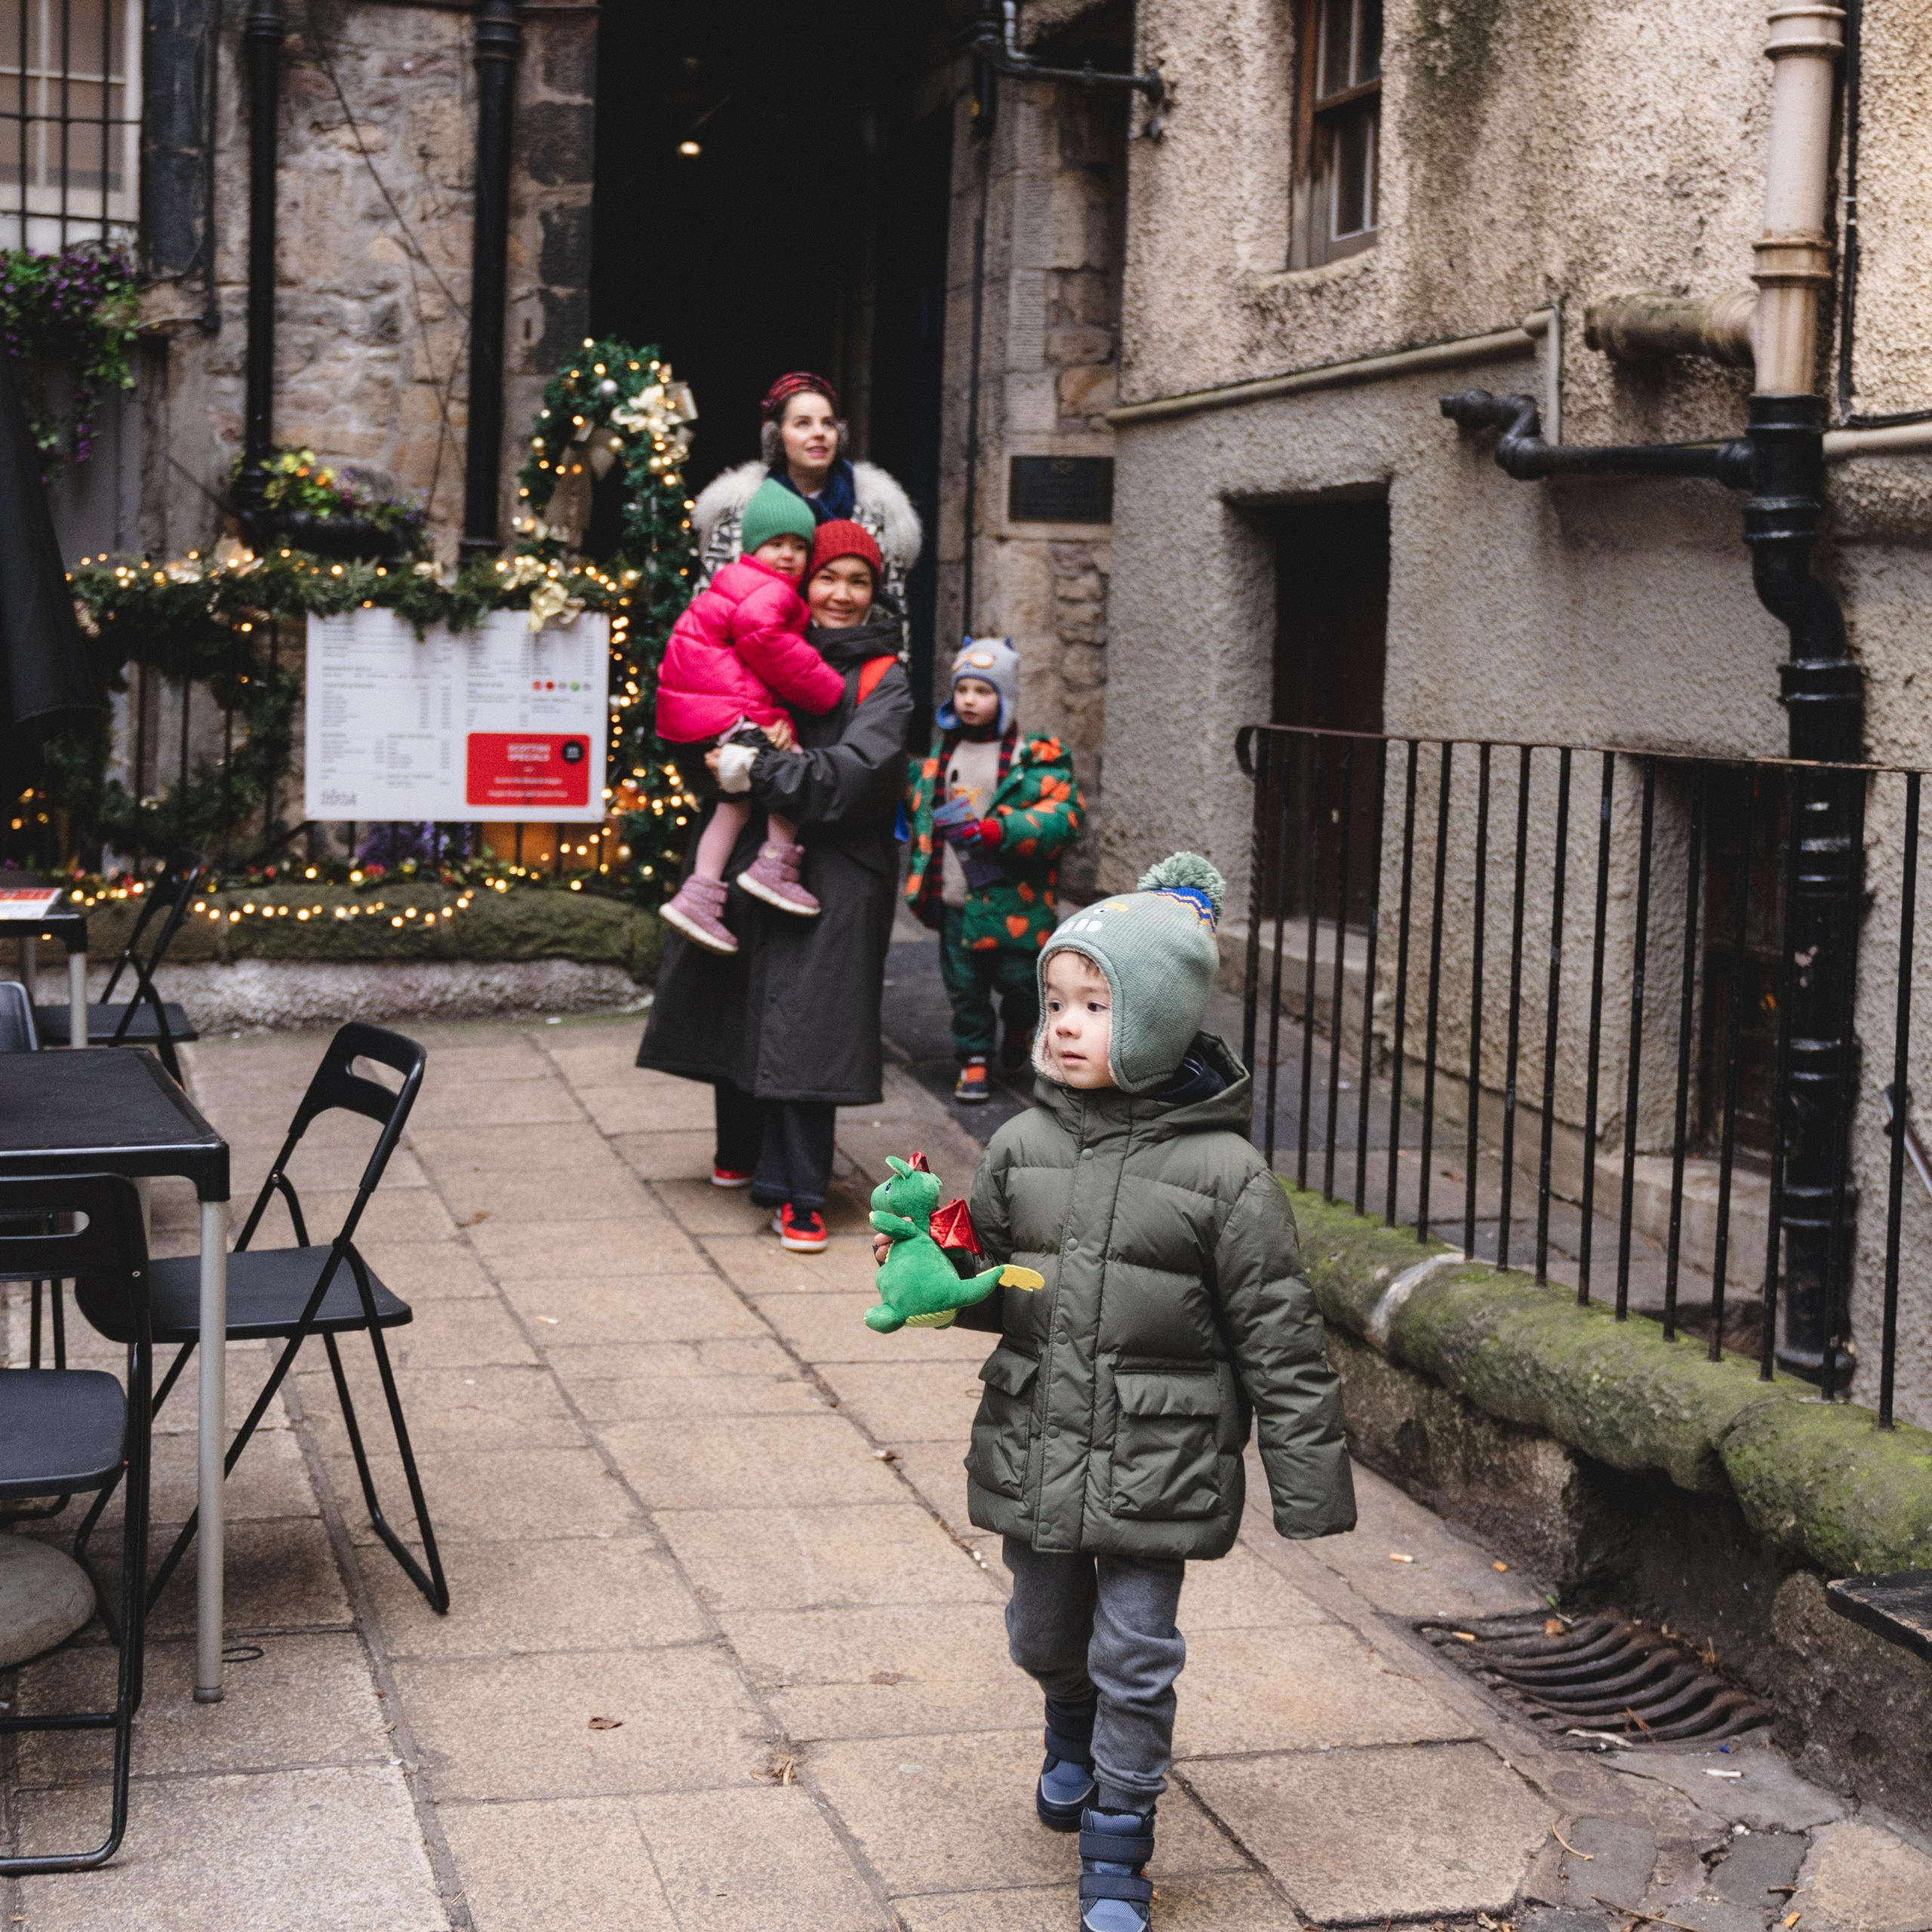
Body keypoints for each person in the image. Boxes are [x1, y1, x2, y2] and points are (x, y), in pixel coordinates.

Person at [903, 854, 1355, 1932]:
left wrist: (1308, 1482)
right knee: (1042, 1635)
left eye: (1095, 1007)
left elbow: (1279, 1335)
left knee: (1136, 1658)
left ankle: (1119, 1840)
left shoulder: (1225, 1177)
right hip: (1038, 1439)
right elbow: (995, 1281)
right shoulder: (1019, 1144)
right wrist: (933, 1274)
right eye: (1057, 1003)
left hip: (1162, 1457)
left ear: (1154, 1022)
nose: (1065, 1026)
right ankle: (1069, 1718)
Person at [638, 518, 912, 1253]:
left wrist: (760, 767)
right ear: (802, 583)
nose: (842, 595)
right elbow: (700, 717)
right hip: (756, 856)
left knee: (809, 1027)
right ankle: (742, 1153)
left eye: (859, 581)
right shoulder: (761, 643)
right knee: (739, 1001)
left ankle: (800, 1192)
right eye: (828, 578)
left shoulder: (883, 678)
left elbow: (858, 775)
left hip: (837, 869)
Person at [654, 479, 846, 951]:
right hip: (719, 710)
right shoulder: (768, 591)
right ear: (753, 548)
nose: (788, 555)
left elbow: (739, 664)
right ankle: (774, 866)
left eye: (799, 547)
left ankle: (699, 893)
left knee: (734, 802)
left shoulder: (736, 583)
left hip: (694, 712)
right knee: (790, 765)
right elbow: (765, 641)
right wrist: (828, 690)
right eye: (776, 544)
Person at [905, 638, 1084, 1103]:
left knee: (1023, 981)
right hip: (956, 895)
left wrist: (999, 831)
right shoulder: (941, 757)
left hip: (1016, 899)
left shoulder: (1035, 756)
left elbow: (1062, 817)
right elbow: (921, 805)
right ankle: (974, 1059)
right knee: (965, 987)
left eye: (982, 691)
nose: (969, 700)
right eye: (962, 689)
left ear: (1005, 697)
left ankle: (1020, 1024)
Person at [693, 371, 921, 626]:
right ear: (776, 435)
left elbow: (893, 614)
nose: (819, 433)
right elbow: (707, 613)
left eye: (828, 424)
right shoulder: (740, 510)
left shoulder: (876, 512)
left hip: (848, 650)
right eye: (803, 423)